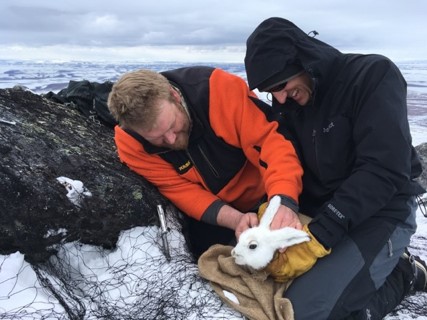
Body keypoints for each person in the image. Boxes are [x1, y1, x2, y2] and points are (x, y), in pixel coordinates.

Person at [244, 17, 427, 319]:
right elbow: (284, 162)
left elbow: (385, 169)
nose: (279, 97)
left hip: (382, 211)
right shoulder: (288, 106)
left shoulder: (371, 76)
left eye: (280, 84)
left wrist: (321, 234)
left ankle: (403, 273)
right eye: (268, 90)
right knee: (268, 289)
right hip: (324, 212)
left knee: (304, 312)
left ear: (303, 60)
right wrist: (277, 207)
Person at [107, 66, 304, 259]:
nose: (171, 140)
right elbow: (182, 191)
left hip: (270, 190)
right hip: (217, 215)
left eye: (172, 126)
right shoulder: (131, 145)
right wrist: (236, 220)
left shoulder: (219, 90)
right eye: (157, 139)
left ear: (174, 96)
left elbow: (272, 145)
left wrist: (283, 201)